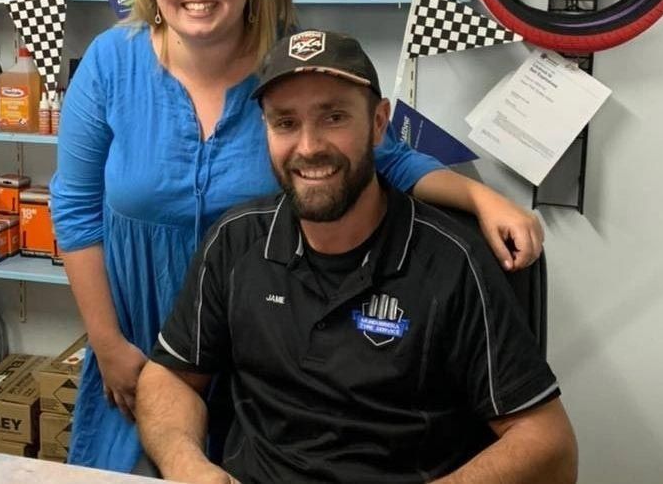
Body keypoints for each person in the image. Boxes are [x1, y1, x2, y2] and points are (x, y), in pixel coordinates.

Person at [50, 0, 545, 473]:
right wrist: (107, 345)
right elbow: (75, 209)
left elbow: (379, 157)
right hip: (138, 330)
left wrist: (481, 197)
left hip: (264, 347)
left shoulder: (288, 66)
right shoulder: (110, 61)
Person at [137, 30, 578, 484]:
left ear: (379, 124)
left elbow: (548, 442)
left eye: (334, 117)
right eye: (285, 123)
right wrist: (187, 465)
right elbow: (169, 376)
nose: (308, 147)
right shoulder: (234, 241)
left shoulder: (453, 262)